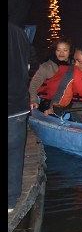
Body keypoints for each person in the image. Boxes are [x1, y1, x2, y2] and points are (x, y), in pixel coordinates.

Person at [9, 22, 32, 212]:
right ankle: (10, 199)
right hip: (18, 103)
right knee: (15, 151)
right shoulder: (19, 32)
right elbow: (28, 64)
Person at [29, 39, 72, 111]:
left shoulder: (75, 66)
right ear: (55, 51)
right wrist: (33, 100)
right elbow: (34, 84)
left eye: (65, 50)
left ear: (70, 52)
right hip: (47, 103)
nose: (61, 53)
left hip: (67, 104)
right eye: (58, 50)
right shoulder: (46, 66)